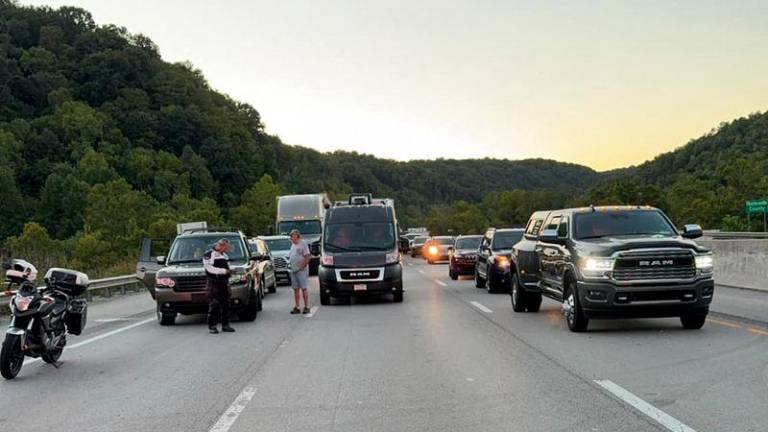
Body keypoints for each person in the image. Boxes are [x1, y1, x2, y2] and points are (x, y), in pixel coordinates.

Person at [203, 238, 235, 334]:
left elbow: (227, 267)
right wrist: (224, 271)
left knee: (226, 304)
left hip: (224, 282)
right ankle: (212, 326)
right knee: (214, 304)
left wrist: (230, 273)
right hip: (214, 282)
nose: (227, 250)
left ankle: (226, 325)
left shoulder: (224, 255)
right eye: (226, 248)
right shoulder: (209, 254)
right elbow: (209, 268)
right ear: (221, 246)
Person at [287, 229, 311, 314]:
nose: (291, 238)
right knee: (295, 289)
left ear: (297, 236)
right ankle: (297, 307)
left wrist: (303, 266)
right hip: (294, 270)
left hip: (301, 270)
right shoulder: (293, 245)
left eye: (292, 236)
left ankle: (307, 306)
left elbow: (307, 256)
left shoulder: (302, 244)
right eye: (290, 236)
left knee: (304, 288)